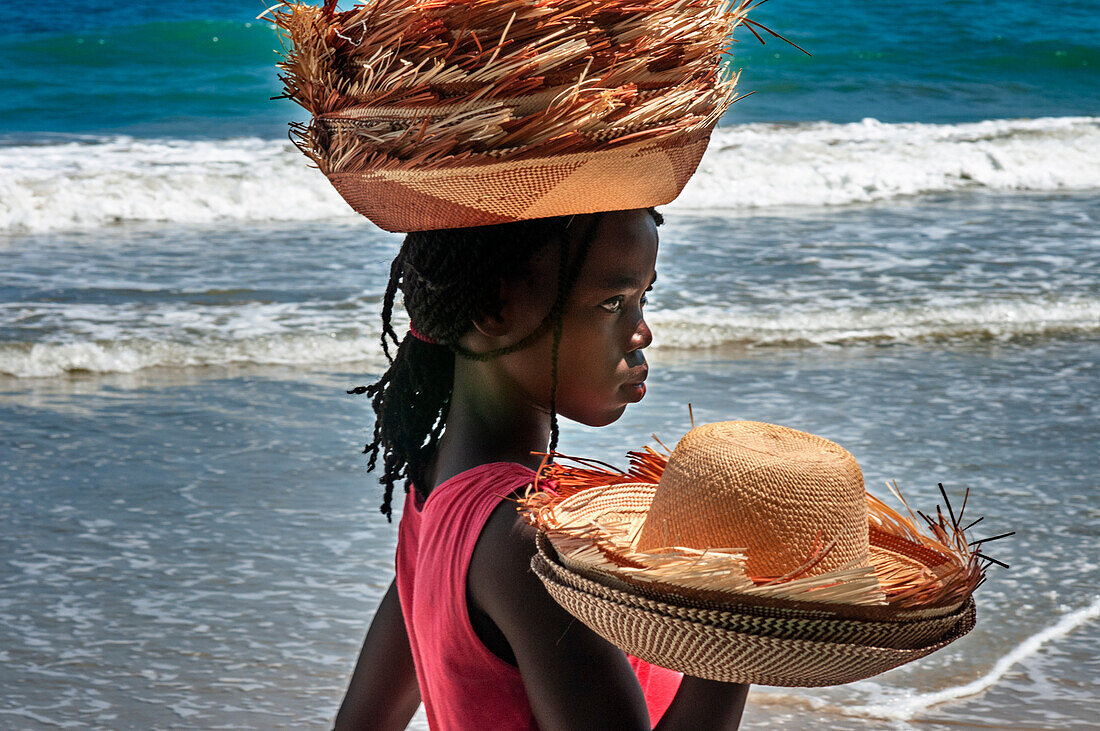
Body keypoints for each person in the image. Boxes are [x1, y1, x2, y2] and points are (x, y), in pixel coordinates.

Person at [334, 209, 751, 729]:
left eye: (644, 299)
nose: (642, 333)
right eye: (612, 303)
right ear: (494, 306)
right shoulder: (528, 540)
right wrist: (743, 632)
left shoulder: (437, 489)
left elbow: (363, 722)